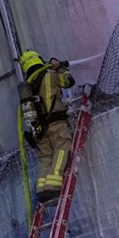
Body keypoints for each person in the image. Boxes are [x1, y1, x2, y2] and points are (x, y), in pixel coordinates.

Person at [19, 49, 75, 204]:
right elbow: (69, 81)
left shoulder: (28, 86)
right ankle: (53, 188)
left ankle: (42, 191)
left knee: (46, 159)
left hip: (38, 131)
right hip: (56, 124)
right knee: (62, 150)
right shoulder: (49, 76)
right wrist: (59, 68)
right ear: (38, 60)